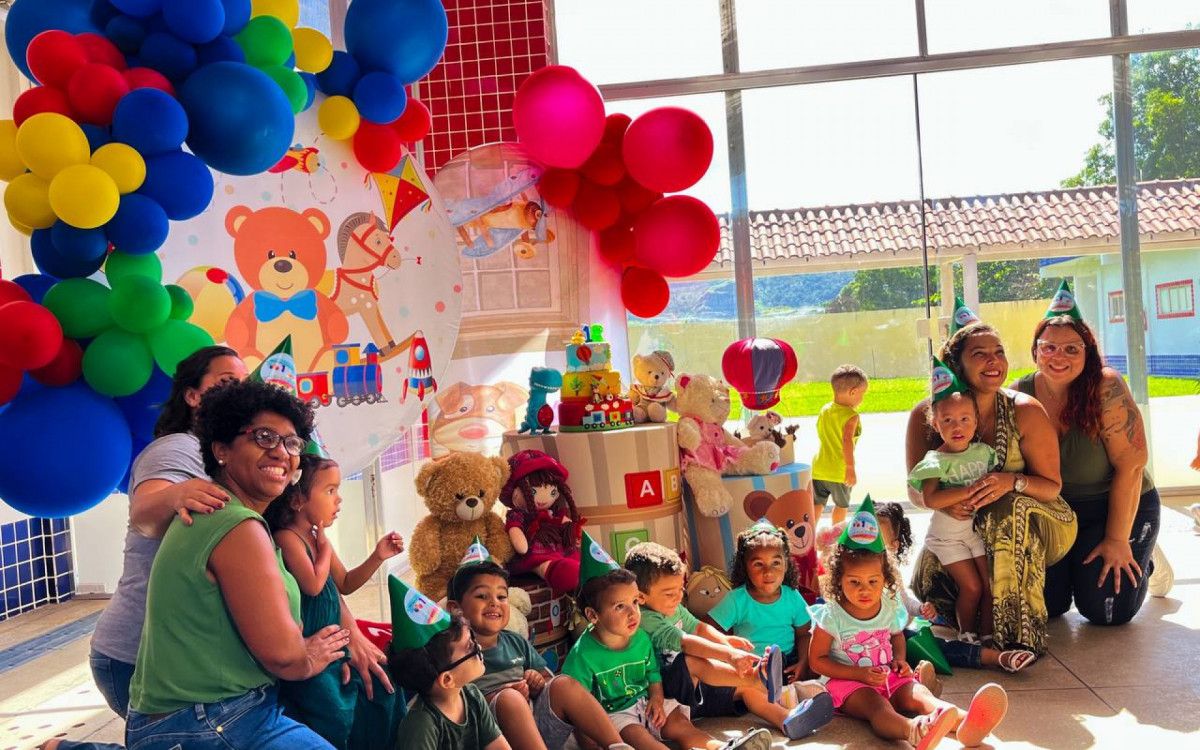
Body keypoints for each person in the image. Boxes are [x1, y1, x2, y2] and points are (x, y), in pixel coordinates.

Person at [124, 379, 350, 749]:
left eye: (291, 442)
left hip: (201, 713)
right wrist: (310, 657)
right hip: (207, 720)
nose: (281, 452)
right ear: (222, 450)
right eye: (264, 437)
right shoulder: (236, 525)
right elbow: (284, 657)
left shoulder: (234, 515)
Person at [906, 317, 1077, 655]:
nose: (993, 360)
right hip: (965, 527)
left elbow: (1052, 487)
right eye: (980, 354)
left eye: (998, 352)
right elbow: (915, 491)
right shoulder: (927, 414)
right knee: (948, 559)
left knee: (1003, 506)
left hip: (1038, 520)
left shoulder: (1024, 411)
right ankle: (974, 628)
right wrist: (941, 501)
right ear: (957, 365)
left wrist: (1010, 481)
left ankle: (1014, 632)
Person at [809, 499, 1008, 750]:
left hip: (886, 674)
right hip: (848, 684)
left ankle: (967, 722)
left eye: (873, 581)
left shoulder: (889, 604)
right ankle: (913, 730)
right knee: (877, 707)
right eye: (854, 582)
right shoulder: (831, 615)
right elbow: (817, 660)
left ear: (885, 578)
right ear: (838, 580)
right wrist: (858, 674)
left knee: (919, 694)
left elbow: (897, 636)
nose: (864, 590)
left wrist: (900, 660)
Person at [1014, 292, 1161, 626]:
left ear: (1088, 352)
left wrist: (1117, 540)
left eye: (1071, 348)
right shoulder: (1020, 394)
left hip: (1117, 504)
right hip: (1058, 514)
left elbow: (1132, 466)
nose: (1058, 356)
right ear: (1036, 350)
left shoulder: (1105, 387)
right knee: (1047, 608)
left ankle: (1143, 552)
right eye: (1049, 346)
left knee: (1107, 612)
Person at [561, 533, 772, 750]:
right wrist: (589, 743)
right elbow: (577, 703)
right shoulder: (583, 655)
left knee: (682, 726)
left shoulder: (639, 639)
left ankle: (721, 748)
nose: (634, 613)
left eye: (634, 603)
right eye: (620, 606)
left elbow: (652, 673)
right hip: (616, 713)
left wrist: (657, 699)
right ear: (593, 615)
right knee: (641, 737)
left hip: (649, 701)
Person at [623, 541, 833, 741]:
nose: (679, 597)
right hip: (662, 693)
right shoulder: (646, 618)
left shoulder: (674, 607)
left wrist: (726, 642)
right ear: (640, 597)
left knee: (742, 688)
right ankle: (756, 679)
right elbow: (686, 641)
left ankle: (787, 718)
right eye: (670, 593)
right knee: (693, 659)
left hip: (690, 691)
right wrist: (728, 655)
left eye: (681, 589)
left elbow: (698, 627)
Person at [265, 452, 406, 749]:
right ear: (296, 501)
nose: (338, 499)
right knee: (336, 716)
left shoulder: (316, 538)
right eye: (330, 491)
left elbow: (345, 583)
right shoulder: (288, 538)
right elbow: (315, 586)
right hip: (313, 652)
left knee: (385, 691)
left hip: (336, 645)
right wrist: (325, 547)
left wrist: (378, 556)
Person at [444, 543, 633, 750]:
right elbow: (451, 703)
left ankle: (617, 746)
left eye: (501, 596)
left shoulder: (515, 642)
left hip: (537, 726)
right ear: (456, 608)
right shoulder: (455, 652)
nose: (494, 603)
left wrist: (536, 681)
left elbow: (547, 679)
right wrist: (498, 695)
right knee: (510, 699)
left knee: (563, 683)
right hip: (491, 736)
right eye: (482, 596)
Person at [876, 502, 1037, 675]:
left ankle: (997, 657)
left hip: (891, 638)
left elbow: (903, 602)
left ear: (893, 546)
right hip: (856, 642)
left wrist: (921, 608)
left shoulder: (892, 576)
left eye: (876, 541)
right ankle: (916, 678)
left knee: (938, 647)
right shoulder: (848, 574)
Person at [908, 361, 994, 645]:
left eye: (965, 419)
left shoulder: (984, 453)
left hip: (976, 531)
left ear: (976, 420)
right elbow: (932, 498)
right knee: (971, 586)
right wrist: (970, 490)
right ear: (935, 423)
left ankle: (988, 634)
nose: (957, 427)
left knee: (989, 584)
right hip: (948, 537)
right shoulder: (935, 461)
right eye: (948, 421)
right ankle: (967, 634)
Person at [387, 576, 510, 750]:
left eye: (472, 638)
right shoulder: (422, 726)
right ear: (447, 680)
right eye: (469, 647)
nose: (478, 646)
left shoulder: (472, 696)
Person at [709, 522, 813, 685]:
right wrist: (730, 655)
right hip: (749, 665)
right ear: (745, 567)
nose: (768, 571)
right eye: (758, 564)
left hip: (786, 662)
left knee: (813, 670)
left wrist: (802, 664)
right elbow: (707, 630)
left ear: (786, 564)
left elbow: (805, 634)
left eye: (776, 563)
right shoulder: (737, 599)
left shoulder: (792, 595)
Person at [811, 364, 868, 527]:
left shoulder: (825, 409)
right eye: (862, 394)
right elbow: (847, 441)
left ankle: (811, 538)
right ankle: (834, 538)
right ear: (853, 392)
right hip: (839, 471)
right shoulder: (851, 416)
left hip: (819, 468)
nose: (862, 398)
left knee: (817, 505)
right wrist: (850, 467)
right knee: (841, 506)